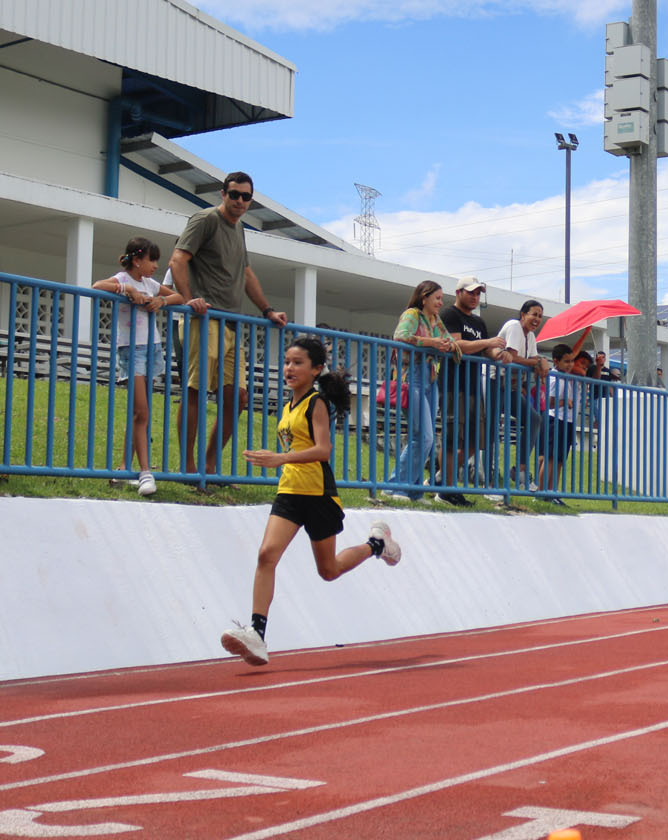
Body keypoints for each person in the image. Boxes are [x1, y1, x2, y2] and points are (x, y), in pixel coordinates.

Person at [220, 336, 401, 666]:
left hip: (317, 494)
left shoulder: (316, 403)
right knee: (266, 555)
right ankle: (257, 635)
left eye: (297, 363)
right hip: (289, 492)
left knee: (328, 570)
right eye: (287, 361)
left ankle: (377, 544)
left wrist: (279, 458)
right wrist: (281, 461)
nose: (289, 368)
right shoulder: (289, 405)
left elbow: (323, 450)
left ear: (316, 369)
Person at [168, 171, 287, 477]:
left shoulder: (240, 230)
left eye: (246, 197)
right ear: (223, 194)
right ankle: (188, 466)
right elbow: (177, 260)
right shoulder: (205, 219)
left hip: (230, 324)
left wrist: (268, 309)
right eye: (234, 194)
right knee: (195, 391)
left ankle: (209, 464)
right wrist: (188, 298)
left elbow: (245, 273)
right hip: (204, 320)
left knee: (237, 398)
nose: (239, 201)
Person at [91, 237, 182, 496]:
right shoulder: (124, 279)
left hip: (151, 349)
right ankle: (145, 472)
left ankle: (123, 469)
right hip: (131, 351)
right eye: (151, 259)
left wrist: (161, 302)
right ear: (137, 259)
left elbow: (179, 296)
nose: (155, 265)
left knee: (139, 413)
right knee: (142, 412)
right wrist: (127, 291)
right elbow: (98, 285)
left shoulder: (151, 284)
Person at [383, 280, 462, 503]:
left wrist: (446, 345)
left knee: (425, 437)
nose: (440, 302)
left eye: (441, 298)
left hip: (430, 378)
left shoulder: (435, 320)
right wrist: (433, 342)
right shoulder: (412, 314)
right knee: (424, 437)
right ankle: (394, 486)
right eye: (437, 298)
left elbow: (447, 340)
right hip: (412, 377)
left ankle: (414, 491)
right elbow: (400, 336)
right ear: (424, 297)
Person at [439, 277, 506, 495]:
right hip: (453, 384)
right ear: (458, 292)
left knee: (477, 439)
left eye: (478, 293)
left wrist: (498, 354)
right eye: (471, 292)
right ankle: (447, 489)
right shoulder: (450, 314)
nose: (475, 297)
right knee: (451, 438)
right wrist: (488, 343)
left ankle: (441, 478)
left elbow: (487, 351)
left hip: (474, 386)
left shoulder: (479, 323)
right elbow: (457, 345)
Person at [497, 299, 551, 492]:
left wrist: (541, 361)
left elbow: (535, 359)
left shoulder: (531, 337)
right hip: (494, 383)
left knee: (534, 419)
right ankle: (488, 476)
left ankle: (519, 470)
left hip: (509, 388)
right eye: (533, 314)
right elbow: (512, 357)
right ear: (522, 315)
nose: (537, 319)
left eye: (540, 316)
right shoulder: (514, 327)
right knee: (488, 429)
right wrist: (536, 364)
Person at [538, 343, 581, 505]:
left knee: (560, 460)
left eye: (572, 361)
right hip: (555, 420)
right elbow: (549, 402)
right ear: (556, 361)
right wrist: (564, 402)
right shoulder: (555, 377)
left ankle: (552, 493)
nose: (570, 365)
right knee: (550, 458)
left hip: (567, 421)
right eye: (566, 361)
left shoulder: (567, 377)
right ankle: (541, 492)